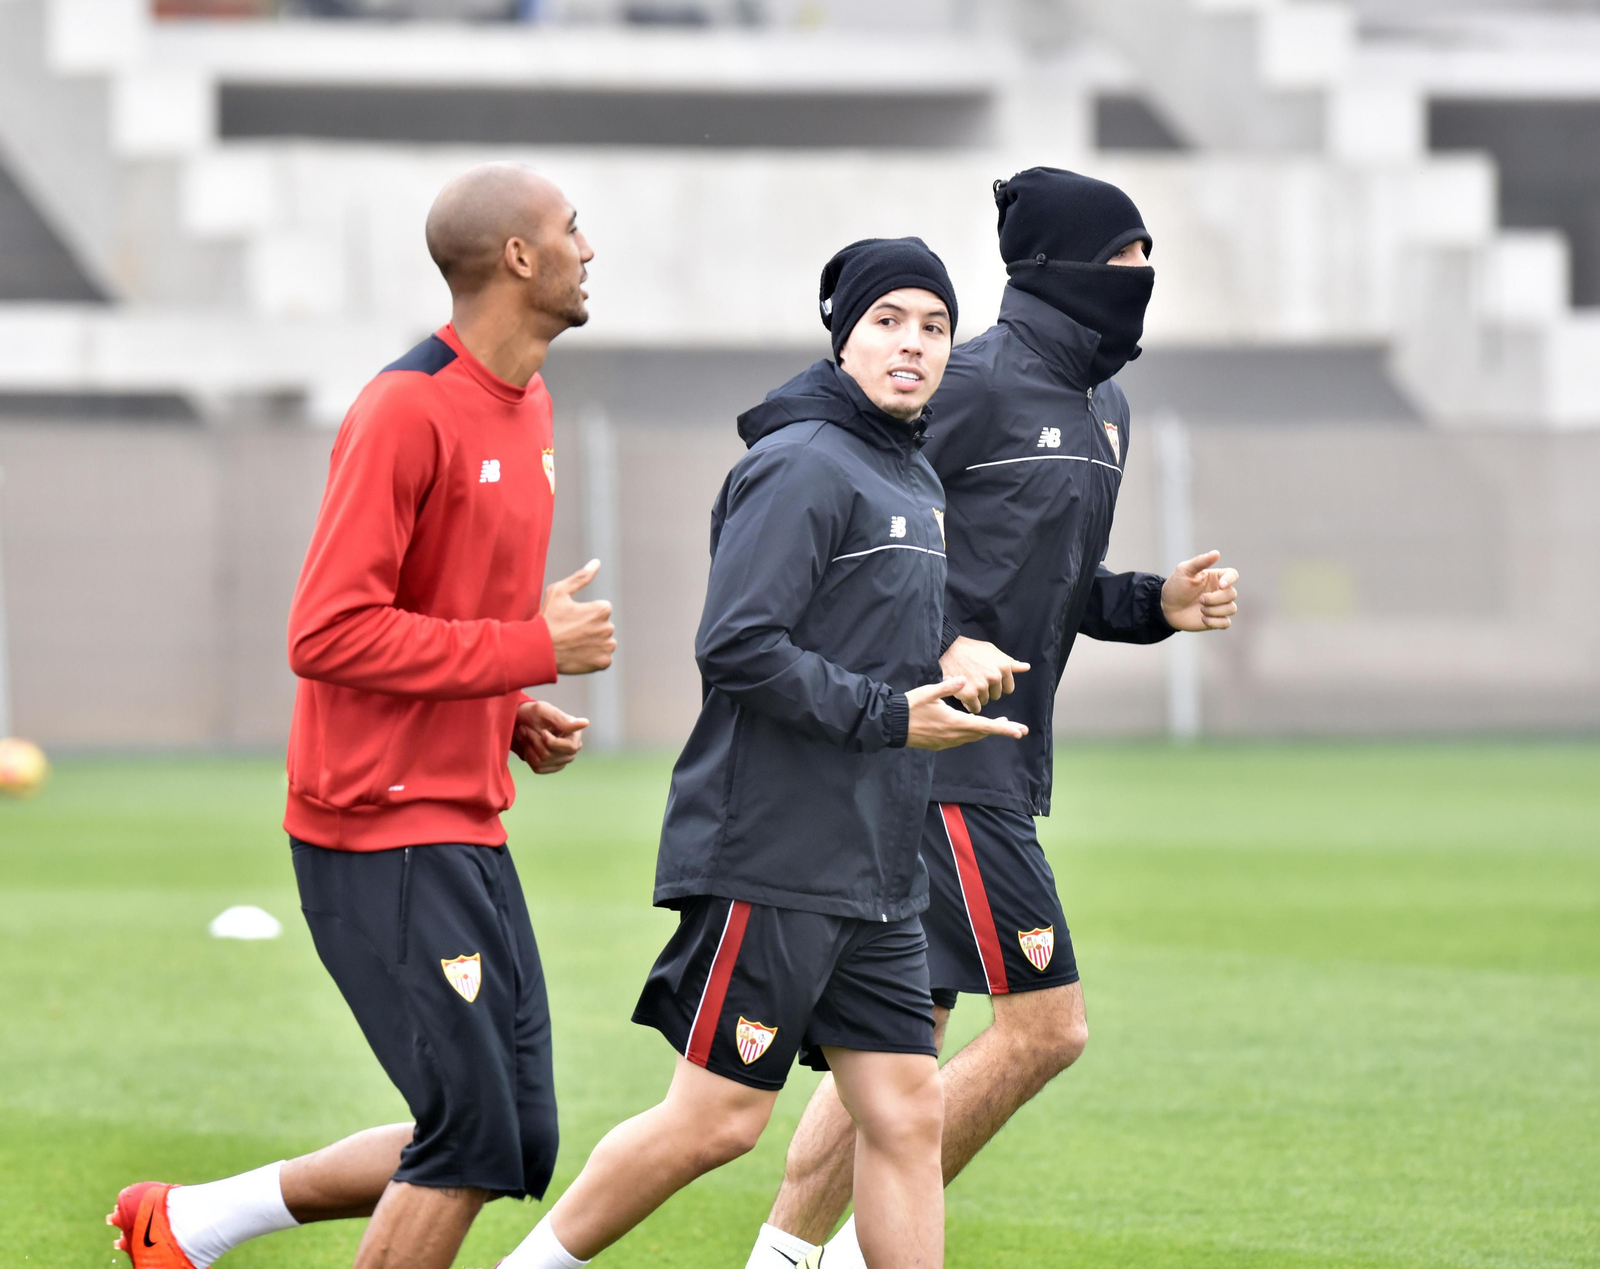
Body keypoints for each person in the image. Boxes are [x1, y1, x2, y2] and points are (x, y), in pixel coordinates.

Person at [106, 162, 616, 1269]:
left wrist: (509, 704)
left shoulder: (529, 402)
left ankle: (187, 1224)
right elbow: (326, 634)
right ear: (519, 258)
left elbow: (438, 615)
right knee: (472, 1132)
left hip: (462, 816)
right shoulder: (404, 409)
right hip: (372, 827)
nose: (590, 248)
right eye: (572, 230)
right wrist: (530, 647)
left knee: (514, 1139)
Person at [492, 237, 1025, 1269]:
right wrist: (889, 715)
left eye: (934, 327)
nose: (913, 346)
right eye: (888, 322)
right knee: (717, 1122)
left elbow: (862, 627)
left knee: (908, 1117)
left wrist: (948, 649)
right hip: (774, 852)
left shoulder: (906, 468)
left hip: (877, 864)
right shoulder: (801, 464)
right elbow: (737, 646)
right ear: (843, 334)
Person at [745, 168, 1242, 1269]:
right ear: (1059, 262)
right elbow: (828, 483)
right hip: (941, 759)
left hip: (1003, 762)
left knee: (901, 1046)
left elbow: (1052, 590)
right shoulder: (965, 380)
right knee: (1044, 1029)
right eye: (1123, 255)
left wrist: (1153, 605)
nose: (1142, 275)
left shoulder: (1105, 407)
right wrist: (936, 648)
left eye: (1147, 254)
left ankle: (781, 1256)